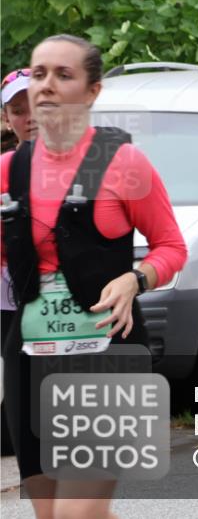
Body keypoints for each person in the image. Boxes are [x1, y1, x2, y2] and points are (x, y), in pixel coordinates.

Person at [1, 35, 187, 519]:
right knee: (52, 515)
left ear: (92, 91)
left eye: (63, 75)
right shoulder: (7, 171)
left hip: (108, 353)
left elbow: (172, 247)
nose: (46, 86)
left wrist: (135, 280)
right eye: (39, 73)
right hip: (30, 356)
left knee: (75, 515)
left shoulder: (123, 163)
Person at [1, 68, 36, 457]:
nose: (30, 118)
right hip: (9, 299)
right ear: (7, 119)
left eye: (37, 106)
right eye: (17, 109)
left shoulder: (87, 165)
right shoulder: (4, 168)